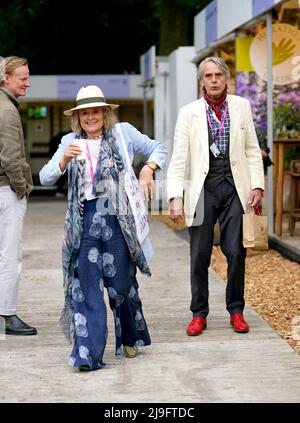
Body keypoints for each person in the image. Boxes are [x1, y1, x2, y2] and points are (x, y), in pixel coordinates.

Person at [39, 85, 167, 371]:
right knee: (86, 289)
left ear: (105, 113)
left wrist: (149, 168)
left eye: (95, 111)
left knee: (121, 285)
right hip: (84, 222)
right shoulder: (70, 141)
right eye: (85, 113)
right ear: (78, 117)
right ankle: (88, 354)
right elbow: (45, 177)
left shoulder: (123, 133)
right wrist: (63, 160)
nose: (90, 117)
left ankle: (131, 336)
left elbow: (160, 147)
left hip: (117, 218)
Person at [167, 57, 264, 336]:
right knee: (199, 254)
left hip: (234, 188)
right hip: (202, 190)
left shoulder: (242, 106)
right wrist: (174, 196)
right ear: (202, 81)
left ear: (226, 78)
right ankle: (199, 314)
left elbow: (251, 150)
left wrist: (257, 185)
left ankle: (236, 310)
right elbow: (179, 158)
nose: (213, 80)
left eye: (218, 75)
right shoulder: (189, 113)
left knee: (236, 252)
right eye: (208, 75)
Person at [0, 56, 37, 336]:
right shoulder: (7, 110)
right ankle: (7, 315)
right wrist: (22, 187)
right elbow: (11, 157)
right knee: (10, 256)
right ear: (6, 78)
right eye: (22, 78)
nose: (27, 82)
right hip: (6, 192)